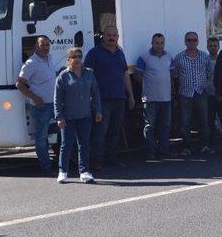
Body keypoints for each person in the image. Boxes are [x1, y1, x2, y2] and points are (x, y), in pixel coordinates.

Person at [85, 26, 135, 169]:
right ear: (103, 36)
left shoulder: (120, 53)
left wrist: (130, 95)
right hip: (102, 99)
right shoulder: (94, 53)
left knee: (115, 131)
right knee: (100, 132)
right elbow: (89, 76)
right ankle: (97, 161)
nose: (111, 37)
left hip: (119, 98)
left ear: (118, 37)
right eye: (109, 35)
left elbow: (125, 75)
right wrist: (92, 97)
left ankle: (111, 159)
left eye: (114, 35)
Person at [54, 47, 102, 184]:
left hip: (85, 115)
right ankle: (63, 172)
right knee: (66, 145)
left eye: (80, 56)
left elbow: (95, 93)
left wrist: (98, 110)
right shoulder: (63, 76)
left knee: (84, 145)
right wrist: (59, 117)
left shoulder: (89, 74)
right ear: (68, 60)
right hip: (68, 117)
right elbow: (57, 99)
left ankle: (84, 172)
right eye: (74, 56)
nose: (78, 59)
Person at [16, 36, 56, 175]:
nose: (45, 47)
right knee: (41, 137)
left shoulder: (49, 58)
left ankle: (59, 162)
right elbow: (19, 84)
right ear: (36, 47)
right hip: (41, 106)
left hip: (54, 103)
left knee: (62, 130)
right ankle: (46, 167)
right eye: (42, 45)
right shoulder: (31, 63)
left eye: (47, 44)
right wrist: (34, 97)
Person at [172, 31, 214, 156]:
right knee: (185, 123)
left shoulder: (204, 56)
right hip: (185, 94)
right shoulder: (179, 58)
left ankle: (204, 146)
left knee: (203, 122)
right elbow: (175, 76)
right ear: (185, 42)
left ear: (198, 42)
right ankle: (186, 148)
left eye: (194, 40)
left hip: (201, 93)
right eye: (189, 40)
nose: (191, 42)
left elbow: (208, 73)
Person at [134, 33, 173, 160]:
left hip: (166, 98)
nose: (159, 45)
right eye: (156, 43)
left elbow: (171, 75)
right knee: (149, 126)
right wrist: (147, 86)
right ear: (152, 43)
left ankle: (164, 151)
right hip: (149, 98)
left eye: (161, 43)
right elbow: (137, 75)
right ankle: (150, 151)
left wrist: (172, 91)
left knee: (165, 126)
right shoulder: (144, 57)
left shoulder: (168, 56)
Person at [206, 37, 222, 148]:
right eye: (210, 46)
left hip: (220, 94)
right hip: (209, 94)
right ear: (207, 47)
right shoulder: (205, 60)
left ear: (218, 47)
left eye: (215, 46)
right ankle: (211, 142)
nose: (213, 48)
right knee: (210, 119)